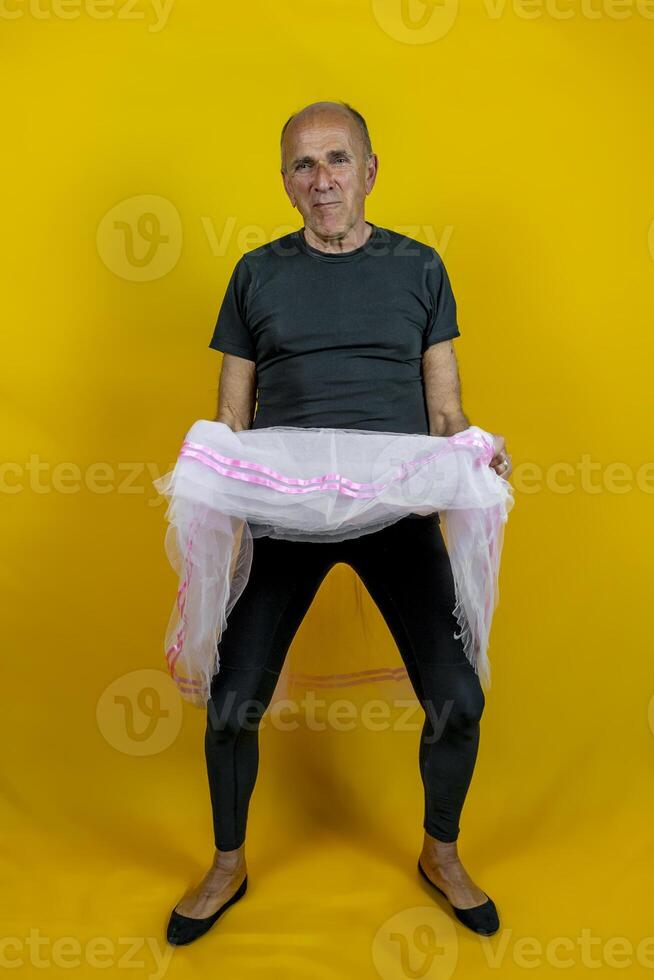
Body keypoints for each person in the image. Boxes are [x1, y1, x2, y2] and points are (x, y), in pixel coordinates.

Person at [166, 100, 512, 946]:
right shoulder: (255, 272)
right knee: (231, 699)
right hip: (287, 514)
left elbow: (446, 412)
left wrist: (475, 452)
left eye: (337, 159)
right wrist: (215, 477)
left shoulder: (421, 267)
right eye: (302, 165)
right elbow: (233, 419)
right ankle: (227, 863)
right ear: (285, 182)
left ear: (370, 168)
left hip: (392, 508)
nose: (322, 180)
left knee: (458, 696)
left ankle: (440, 850)